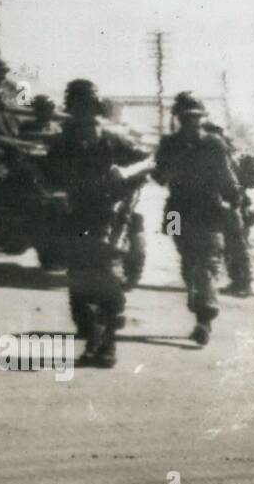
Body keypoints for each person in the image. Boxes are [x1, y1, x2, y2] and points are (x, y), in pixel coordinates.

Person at [43, 79, 147, 368]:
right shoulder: (62, 143)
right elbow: (47, 177)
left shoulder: (111, 140)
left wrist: (123, 174)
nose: (82, 112)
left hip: (107, 217)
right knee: (78, 280)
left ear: (95, 108)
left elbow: (145, 161)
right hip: (74, 216)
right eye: (77, 105)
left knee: (105, 280)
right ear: (71, 108)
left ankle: (108, 343)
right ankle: (92, 337)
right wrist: (55, 193)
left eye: (87, 105)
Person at [152, 92, 242, 347]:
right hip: (186, 210)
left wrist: (234, 198)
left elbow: (226, 174)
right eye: (187, 117)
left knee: (205, 261)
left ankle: (204, 317)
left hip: (196, 209)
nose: (190, 121)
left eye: (194, 117)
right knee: (192, 261)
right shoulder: (176, 144)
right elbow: (160, 178)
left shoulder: (208, 143)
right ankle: (201, 307)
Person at [204, 122, 253, 298]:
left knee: (234, 244)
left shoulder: (220, 152)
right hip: (223, 204)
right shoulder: (224, 152)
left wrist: (235, 202)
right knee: (232, 244)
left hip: (226, 204)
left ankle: (242, 282)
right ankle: (238, 281)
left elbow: (230, 180)